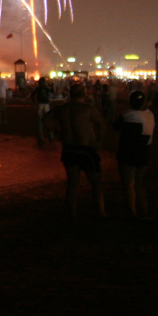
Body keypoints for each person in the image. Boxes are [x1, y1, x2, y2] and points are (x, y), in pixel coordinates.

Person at [42, 84, 106, 219]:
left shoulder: (61, 109)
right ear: (84, 94)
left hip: (69, 149)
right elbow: (101, 124)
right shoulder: (87, 109)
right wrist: (99, 141)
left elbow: (46, 119)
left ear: (70, 94)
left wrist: (56, 131)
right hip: (86, 149)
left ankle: (73, 213)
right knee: (96, 183)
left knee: (72, 184)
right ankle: (100, 212)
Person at [113, 90, 155, 218]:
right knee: (138, 182)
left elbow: (115, 127)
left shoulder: (127, 115)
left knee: (128, 184)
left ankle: (132, 212)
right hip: (144, 152)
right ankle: (144, 209)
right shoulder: (150, 115)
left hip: (128, 152)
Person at [34, 77, 52, 146]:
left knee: (39, 122)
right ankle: (50, 135)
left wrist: (35, 102)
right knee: (48, 120)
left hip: (39, 104)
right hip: (46, 104)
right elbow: (52, 93)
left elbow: (32, 96)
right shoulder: (47, 89)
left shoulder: (38, 89)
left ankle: (40, 137)